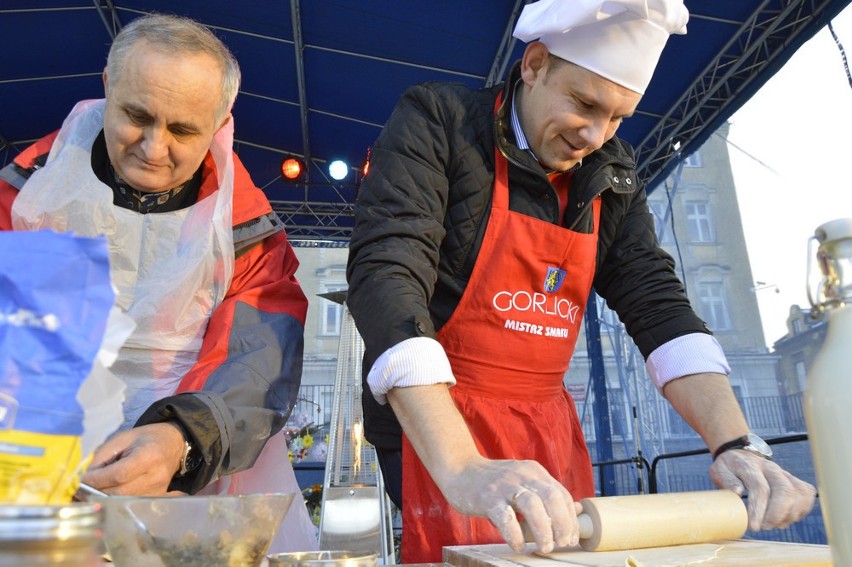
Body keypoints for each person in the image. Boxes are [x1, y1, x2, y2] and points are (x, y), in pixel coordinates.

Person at [346, 0, 816, 562]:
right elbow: (387, 272)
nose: (595, 135)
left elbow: (657, 302)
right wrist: (464, 467)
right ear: (535, 63)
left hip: (548, 425)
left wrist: (737, 443)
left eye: (619, 117)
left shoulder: (611, 172)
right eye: (585, 104)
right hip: (439, 418)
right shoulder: (440, 121)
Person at [0, 13, 317, 551]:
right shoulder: (25, 198)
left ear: (219, 121)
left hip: (202, 468)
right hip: (34, 464)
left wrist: (183, 439)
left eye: (183, 130)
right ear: (108, 87)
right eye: (136, 116)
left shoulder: (250, 232)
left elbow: (258, 358)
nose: (153, 147)